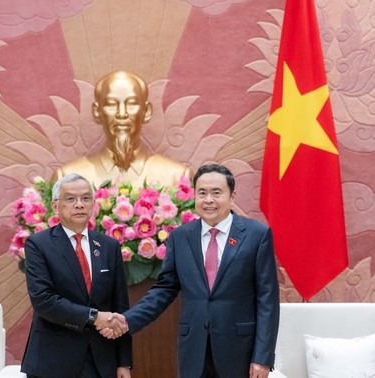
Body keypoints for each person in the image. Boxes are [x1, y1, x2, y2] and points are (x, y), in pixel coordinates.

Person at [103, 164, 280, 378]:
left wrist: (262, 358)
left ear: (232, 196)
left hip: (239, 351)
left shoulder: (256, 235)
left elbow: (267, 300)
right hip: (193, 350)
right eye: (202, 193)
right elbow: (164, 290)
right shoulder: (180, 237)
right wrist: (127, 320)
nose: (208, 200)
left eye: (216, 192)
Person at [20, 173, 132, 378]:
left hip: (101, 361)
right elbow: (43, 300)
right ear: (55, 206)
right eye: (70, 199)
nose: (79, 204)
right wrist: (94, 317)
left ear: (93, 204)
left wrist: (123, 362)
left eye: (86, 198)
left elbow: (120, 306)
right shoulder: (39, 245)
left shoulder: (109, 246)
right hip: (53, 361)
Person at [53, 70, 190, 187]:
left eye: (131, 104)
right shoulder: (66, 180)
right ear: (97, 112)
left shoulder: (178, 178)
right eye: (111, 104)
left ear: (146, 111)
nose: (122, 114)